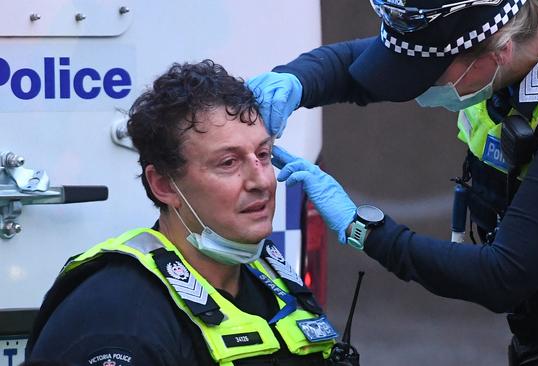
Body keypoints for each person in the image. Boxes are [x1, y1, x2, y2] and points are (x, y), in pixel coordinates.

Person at [249, 0, 538, 364]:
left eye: (426, 75)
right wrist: (297, 80)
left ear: (498, 53)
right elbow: (367, 64)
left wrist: (362, 228)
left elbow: (503, 276)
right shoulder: (518, 32)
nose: (417, 87)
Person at [25, 60, 340, 366]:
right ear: (164, 185)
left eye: (263, 154)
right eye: (228, 163)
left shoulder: (272, 277)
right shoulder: (117, 313)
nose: (261, 180)